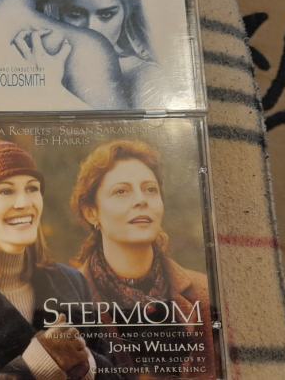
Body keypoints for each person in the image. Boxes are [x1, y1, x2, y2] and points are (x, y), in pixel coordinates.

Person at [0, 139, 117, 380]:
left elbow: (113, 371)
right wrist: (36, 364)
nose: (24, 203)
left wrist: (86, 365)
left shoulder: (72, 281)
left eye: (32, 188)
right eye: (6, 191)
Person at [69, 140, 217, 379]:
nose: (141, 200)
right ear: (91, 212)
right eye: (121, 191)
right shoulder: (67, 303)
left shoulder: (205, 294)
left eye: (150, 189)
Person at [53, 0, 167, 108]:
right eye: (75, 15)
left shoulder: (144, 78)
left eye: (106, 15)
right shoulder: (44, 66)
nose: (92, 29)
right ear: (56, 12)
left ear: (126, 13)